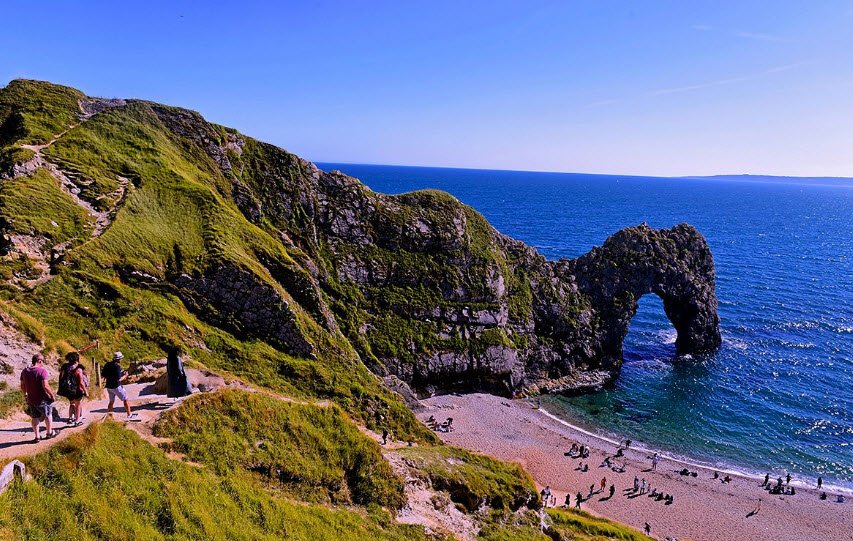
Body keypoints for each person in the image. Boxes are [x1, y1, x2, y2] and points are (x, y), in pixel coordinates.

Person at [20, 354, 57, 441]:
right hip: (42, 399)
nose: (43, 363)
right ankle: (49, 433)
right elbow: (46, 386)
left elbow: (22, 385)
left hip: (31, 398)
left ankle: (37, 437)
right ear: (39, 361)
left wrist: (25, 394)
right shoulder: (42, 371)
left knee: (35, 417)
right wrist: (52, 395)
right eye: (43, 361)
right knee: (48, 414)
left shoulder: (24, 371)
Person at [101, 351, 137, 420]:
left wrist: (110, 377)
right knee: (125, 399)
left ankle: (110, 416)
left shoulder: (107, 364)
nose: (121, 360)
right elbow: (119, 379)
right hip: (116, 386)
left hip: (109, 386)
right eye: (121, 358)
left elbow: (103, 374)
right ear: (118, 359)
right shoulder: (117, 367)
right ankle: (129, 415)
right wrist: (125, 376)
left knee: (111, 401)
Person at [58, 351, 88, 426]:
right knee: (78, 404)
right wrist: (86, 391)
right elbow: (81, 382)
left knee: (72, 403)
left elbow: (61, 377)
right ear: (76, 360)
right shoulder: (78, 369)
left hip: (67, 389)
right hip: (76, 390)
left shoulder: (65, 367)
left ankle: (70, 418)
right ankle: (77, 421)